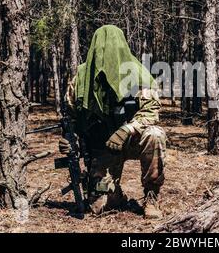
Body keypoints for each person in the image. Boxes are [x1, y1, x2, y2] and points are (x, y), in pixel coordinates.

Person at [58, 25, 166, 219]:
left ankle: (152, 196)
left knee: (155, 135)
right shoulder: (81, 78)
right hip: (102, 147)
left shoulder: (137, 74)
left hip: (133, 140)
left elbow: (151, 111)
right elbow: (72, 118)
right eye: (101, 48)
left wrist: (127, 129)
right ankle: (114, 194)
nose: (107, 53)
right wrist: (69, 140)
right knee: (99, 206)